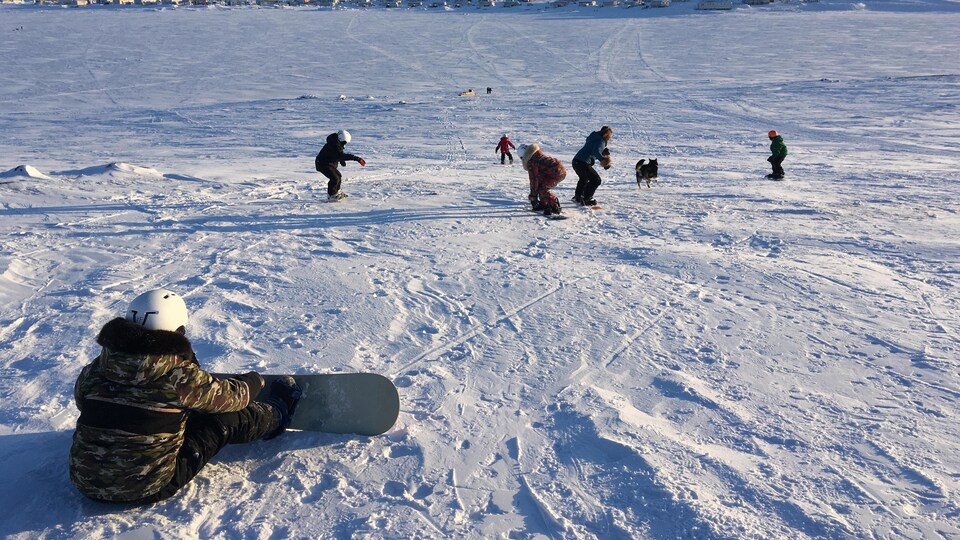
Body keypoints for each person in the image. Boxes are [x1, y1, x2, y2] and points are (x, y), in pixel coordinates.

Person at [69, 289, 302, 504]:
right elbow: (233, 399)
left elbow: (82, 402)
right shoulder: (177, 375)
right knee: (222, 420)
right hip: (146, 488)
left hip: (84, 481)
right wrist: (253, 381)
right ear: (177, 330)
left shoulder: (97, 367)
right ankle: (278, 412)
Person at [315, 129, 366, 202]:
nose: (344, 144)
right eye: (344, 142)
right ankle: (332, 195)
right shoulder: (334, 145)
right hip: (323, 164)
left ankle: (336, 192)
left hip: (328, 163)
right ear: (341, 139)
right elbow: (340, 154)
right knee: (334, 178)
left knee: (338, 176)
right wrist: (356, 158)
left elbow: (338, 154)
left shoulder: (335, 142)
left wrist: (342, 160)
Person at [521, 143, 567, 216]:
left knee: (542, 188)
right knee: (541, 184)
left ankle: (554, 206)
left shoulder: (532, 162)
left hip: (556, 173)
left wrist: (533, 196)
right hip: (559, 170)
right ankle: (544, 203)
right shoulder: (537, 155)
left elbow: (534, 180)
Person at [572, 126, 613, 206]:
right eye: (609, 136)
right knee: (596, 180)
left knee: (584, 178)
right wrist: (604, 161)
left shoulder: (594, 137)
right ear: (605, 135)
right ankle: (586, 198)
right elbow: (596, 152)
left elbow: (592, 148)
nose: (609, 138)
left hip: (576, 161)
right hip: (583, 163)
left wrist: (602, 151)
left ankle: (578, 196)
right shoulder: (601, 141)